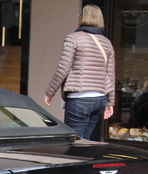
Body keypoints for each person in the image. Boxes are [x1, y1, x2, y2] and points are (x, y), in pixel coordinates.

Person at [44, 4, 115, 140]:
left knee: (73, 142)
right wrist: (110, 102)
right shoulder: (107, 43)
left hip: (80, 98)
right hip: (100, 99)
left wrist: (50, 91)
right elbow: (110, 75)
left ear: (82, 18)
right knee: (85, 142)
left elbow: (63, 68)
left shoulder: (73, 38)